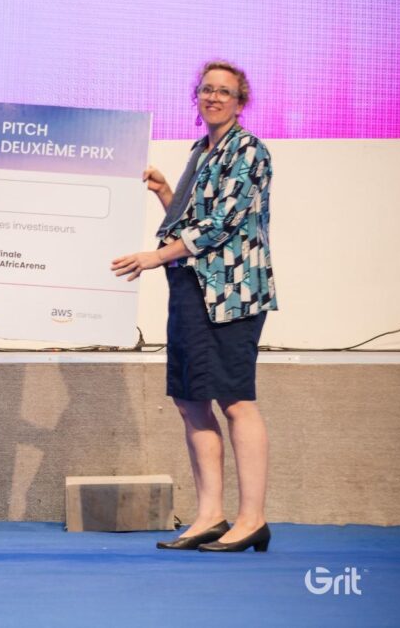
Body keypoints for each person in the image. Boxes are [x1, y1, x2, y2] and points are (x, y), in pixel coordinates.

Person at [112, 60, 277, 553]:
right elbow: (188, 225)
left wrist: (153, 256)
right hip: (189, 288)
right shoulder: (201, 151)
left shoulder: (248, 150)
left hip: (231, 295)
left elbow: (220, 227)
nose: (214, 97)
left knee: (235, 400)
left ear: (240, 102)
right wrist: (167, 193)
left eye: (224, 91)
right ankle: (210, 516)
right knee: (190, 400)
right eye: (207, 89)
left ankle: (252, 520)